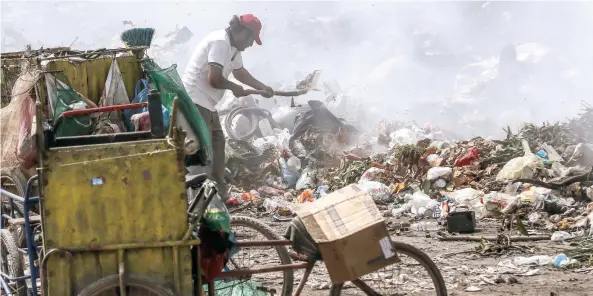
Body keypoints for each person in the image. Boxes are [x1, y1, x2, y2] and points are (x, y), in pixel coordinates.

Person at [181, 14, 273, 200]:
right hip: (195, 101)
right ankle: (197, 199)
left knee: (218, 144)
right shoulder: (220, 42)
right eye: (250, 39)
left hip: (208, 103)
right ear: (241, 32)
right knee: (203, 151)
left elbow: (240, 74)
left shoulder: (233, 49)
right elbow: (214, 79)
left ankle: (218, 193)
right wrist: (234, 88)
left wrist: (262, 87)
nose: (251, 45)